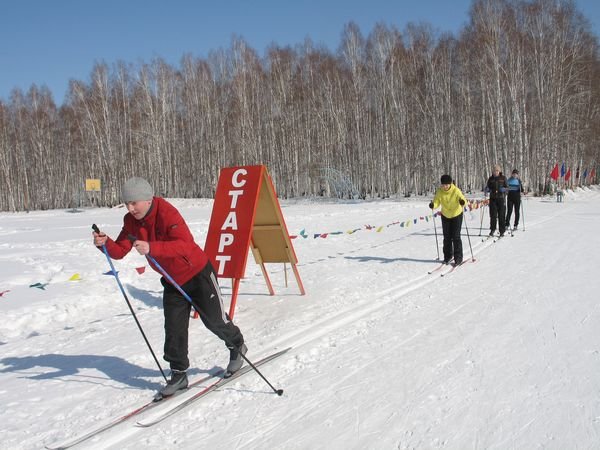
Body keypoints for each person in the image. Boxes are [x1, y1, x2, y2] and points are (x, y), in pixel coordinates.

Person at [93, 177, 246, 397]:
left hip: (197, 273)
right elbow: (119, 251)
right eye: (127, 203)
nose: (130, 208)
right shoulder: (130, 221)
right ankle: (178, 374)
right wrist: (105, 243)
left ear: (147, 199)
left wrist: (151, 247)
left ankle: (237, 346)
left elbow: (184, 244)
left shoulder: (167, 213)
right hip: (172, 280)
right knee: (174, 329)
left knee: (213, 320)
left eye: (134, 202)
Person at [429, 174, 467, 265]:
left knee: (456, 236)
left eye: (446, 184)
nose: (445, 186)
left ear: (450, 184)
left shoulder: (456, 190)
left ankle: (458, 258)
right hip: (445, 215)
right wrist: (433, 205)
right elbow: (437, 201)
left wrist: (462, 202)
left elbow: (463, 200)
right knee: (447, 237)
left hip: (456, 214)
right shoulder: (439, 191)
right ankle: (448, 256)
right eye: (443, 184)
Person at [485, 164, 508, 237]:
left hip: (501, 198)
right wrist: (487, 190)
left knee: (501, 215)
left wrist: (504, 189)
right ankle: (492, 229)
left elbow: (507, 188)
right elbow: (487, 187)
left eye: (497, 170)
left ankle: (502, 231)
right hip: (493, 199)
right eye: (494, 171)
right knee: (493, 215)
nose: (496, 172)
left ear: (499, 171)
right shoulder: (490, 179)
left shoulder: (503, 178)